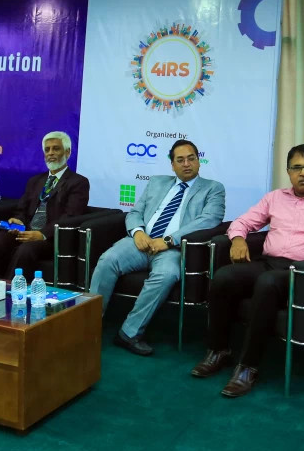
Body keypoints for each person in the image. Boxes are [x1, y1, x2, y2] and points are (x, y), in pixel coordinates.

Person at [193, 143, 304, 397]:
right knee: (224, 277)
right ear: (288, 172)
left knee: (267, 283)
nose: (303, 173)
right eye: (297, 168)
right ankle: (218, 350)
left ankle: (248, 366)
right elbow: (242, 222)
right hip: (269, 263)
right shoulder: (274, 198)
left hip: (303, 273)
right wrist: (238, 239)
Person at [89, 139, 226, 356]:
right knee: (108, 260)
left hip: (173, 249)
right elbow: (135, 212)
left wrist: (169, 240)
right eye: (180, 160)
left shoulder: (213, 188)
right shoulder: (156, 182)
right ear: (172, 165)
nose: (186, 164)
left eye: (191, 158)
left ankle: (129, 332)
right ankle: (88, 323)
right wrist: (138, 232)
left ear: (199, 161)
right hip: (141, 242)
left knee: (167, 274)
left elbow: (210, 219)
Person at [0, 131, 90, 282]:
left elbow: (71, 216)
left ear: (68, 152)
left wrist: (42, 234)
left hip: (52, 237)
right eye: (47, 149)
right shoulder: (36, 180)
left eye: (56, 148)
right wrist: (18, 220)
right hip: (26, 230)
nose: (50, 153)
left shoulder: (78, 182)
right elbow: (22, 209)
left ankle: (11, 290)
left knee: (26, 250)